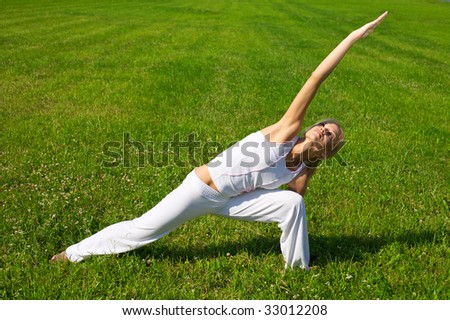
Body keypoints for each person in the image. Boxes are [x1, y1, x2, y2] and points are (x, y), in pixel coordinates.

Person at [52, 12, 388, 269]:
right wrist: (353, 36)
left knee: (294, 206)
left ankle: (298, 271)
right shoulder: (285, 131)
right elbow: (316, 78)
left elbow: (292, 202)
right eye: (322, 124)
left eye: (330, 134)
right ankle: (72, 253)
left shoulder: (304, 165)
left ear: (328, 149)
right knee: (144, 230)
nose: (322, 129)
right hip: (202, 190)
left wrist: (298, 184)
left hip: (234, 202)